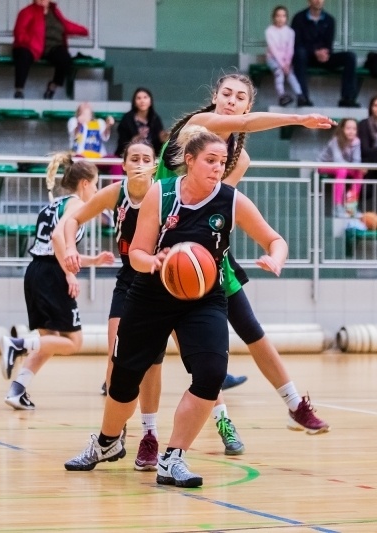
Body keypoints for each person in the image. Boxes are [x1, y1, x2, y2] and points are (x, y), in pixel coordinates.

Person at [63, 126, 288, 489]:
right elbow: (137, 251)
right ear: (190, 160)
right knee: (123, 379)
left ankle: (173, 457)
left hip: (203, 297)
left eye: (222, 162)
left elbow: (274, 239)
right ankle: (106, 442)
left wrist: (275, 258)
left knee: (211, 373)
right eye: (210, 161)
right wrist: (153, 261)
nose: (217, 168)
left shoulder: (231, 201)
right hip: (151, 292)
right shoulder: (162, 193)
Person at [158, 74, 332, 445]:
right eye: (226, 94)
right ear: (215, 96)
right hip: (162, 245)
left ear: (247, 105)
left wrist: (267, 252)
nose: (232, 101)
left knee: (250, 327)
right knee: (192, 345)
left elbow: (218, 204)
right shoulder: (198, 125)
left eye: (240, 97)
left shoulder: (240, 158)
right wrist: (297, 119)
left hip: (203, 248)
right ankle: (221, 420)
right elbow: (246, 125)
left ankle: (295, 403)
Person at [52, 139, 169, 470]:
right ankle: (113, 436)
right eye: (135, 158)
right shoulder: (116, 193)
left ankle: (150, 435)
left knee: (153, 364)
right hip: (130, 280)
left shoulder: (165, 193)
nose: (141, 163)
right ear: (124, 164)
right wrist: (71, 249)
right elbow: (71, 221)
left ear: (155, 164)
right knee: (116, 361)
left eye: (146, 158)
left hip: (162, 281)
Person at [0, 154, 114, 410]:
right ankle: (17, 344)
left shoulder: (53, 205)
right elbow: (57, 238)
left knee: (49, 342)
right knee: (74, 342)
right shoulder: (76, 204)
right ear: (84, 183)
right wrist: (69, 273)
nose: (96, 190)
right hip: (52, 275)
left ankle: (17, 390)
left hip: (36, 271)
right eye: (95, 184)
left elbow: (53, 248)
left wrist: (93, 261)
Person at [12, 0, 89, 99]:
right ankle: (19, 90)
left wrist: (84, 30)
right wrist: (30, 42)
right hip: (31, 47)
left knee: (65, 59)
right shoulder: (27, 12)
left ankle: (52, 87)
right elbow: (19, 32)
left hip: (52, 47)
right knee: (23, 55)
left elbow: (65, 25)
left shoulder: (55, 12)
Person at [291, 0, 358, 107]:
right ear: (309, 1)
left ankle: (347, 98)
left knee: (350, 57)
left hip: (323, 58)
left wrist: (325, 52)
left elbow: (329, 44)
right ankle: (303, 98)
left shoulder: (329, 20)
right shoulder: (299, 18)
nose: (318, 1)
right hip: (306, 58)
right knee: (299, 54)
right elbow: (296, 43)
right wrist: (314, 52)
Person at [319, 118, 364, 218]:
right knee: (342, 170)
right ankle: (337, 207)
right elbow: (337, 160)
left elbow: (357, 160)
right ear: (342, 129)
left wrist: (358, 168)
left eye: (354, 129)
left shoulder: (357, 142)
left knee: (359, 173)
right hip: (325, 164)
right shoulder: (336, 140)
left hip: (344, 166)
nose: (351, 131)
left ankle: (351, 207)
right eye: (348, 128)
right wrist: (352, 167)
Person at [266, 5, 303, 107]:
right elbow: (273, 49)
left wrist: (287, 62)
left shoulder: (290, 32)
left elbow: (290, 48)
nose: (280, 18)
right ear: (274, 17)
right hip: (273, 58)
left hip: (286, 60)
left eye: (283, 16)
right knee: (279, 72)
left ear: (286, 18)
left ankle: (300, 94)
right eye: (278, 16)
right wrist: (282, 65)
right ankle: (281, 95)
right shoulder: (270, 31)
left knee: (290, 73)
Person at [114, 88, 166, 161]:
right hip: (130, 157)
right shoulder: (127, 119)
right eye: (138, 98)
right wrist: (136, 139)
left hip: (150, 158)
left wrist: (162, 140)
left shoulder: (155, 118)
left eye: (145, 97)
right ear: (134, 102)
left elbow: (158, 145)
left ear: (150, 101)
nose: (142, 101)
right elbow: (122, 143)